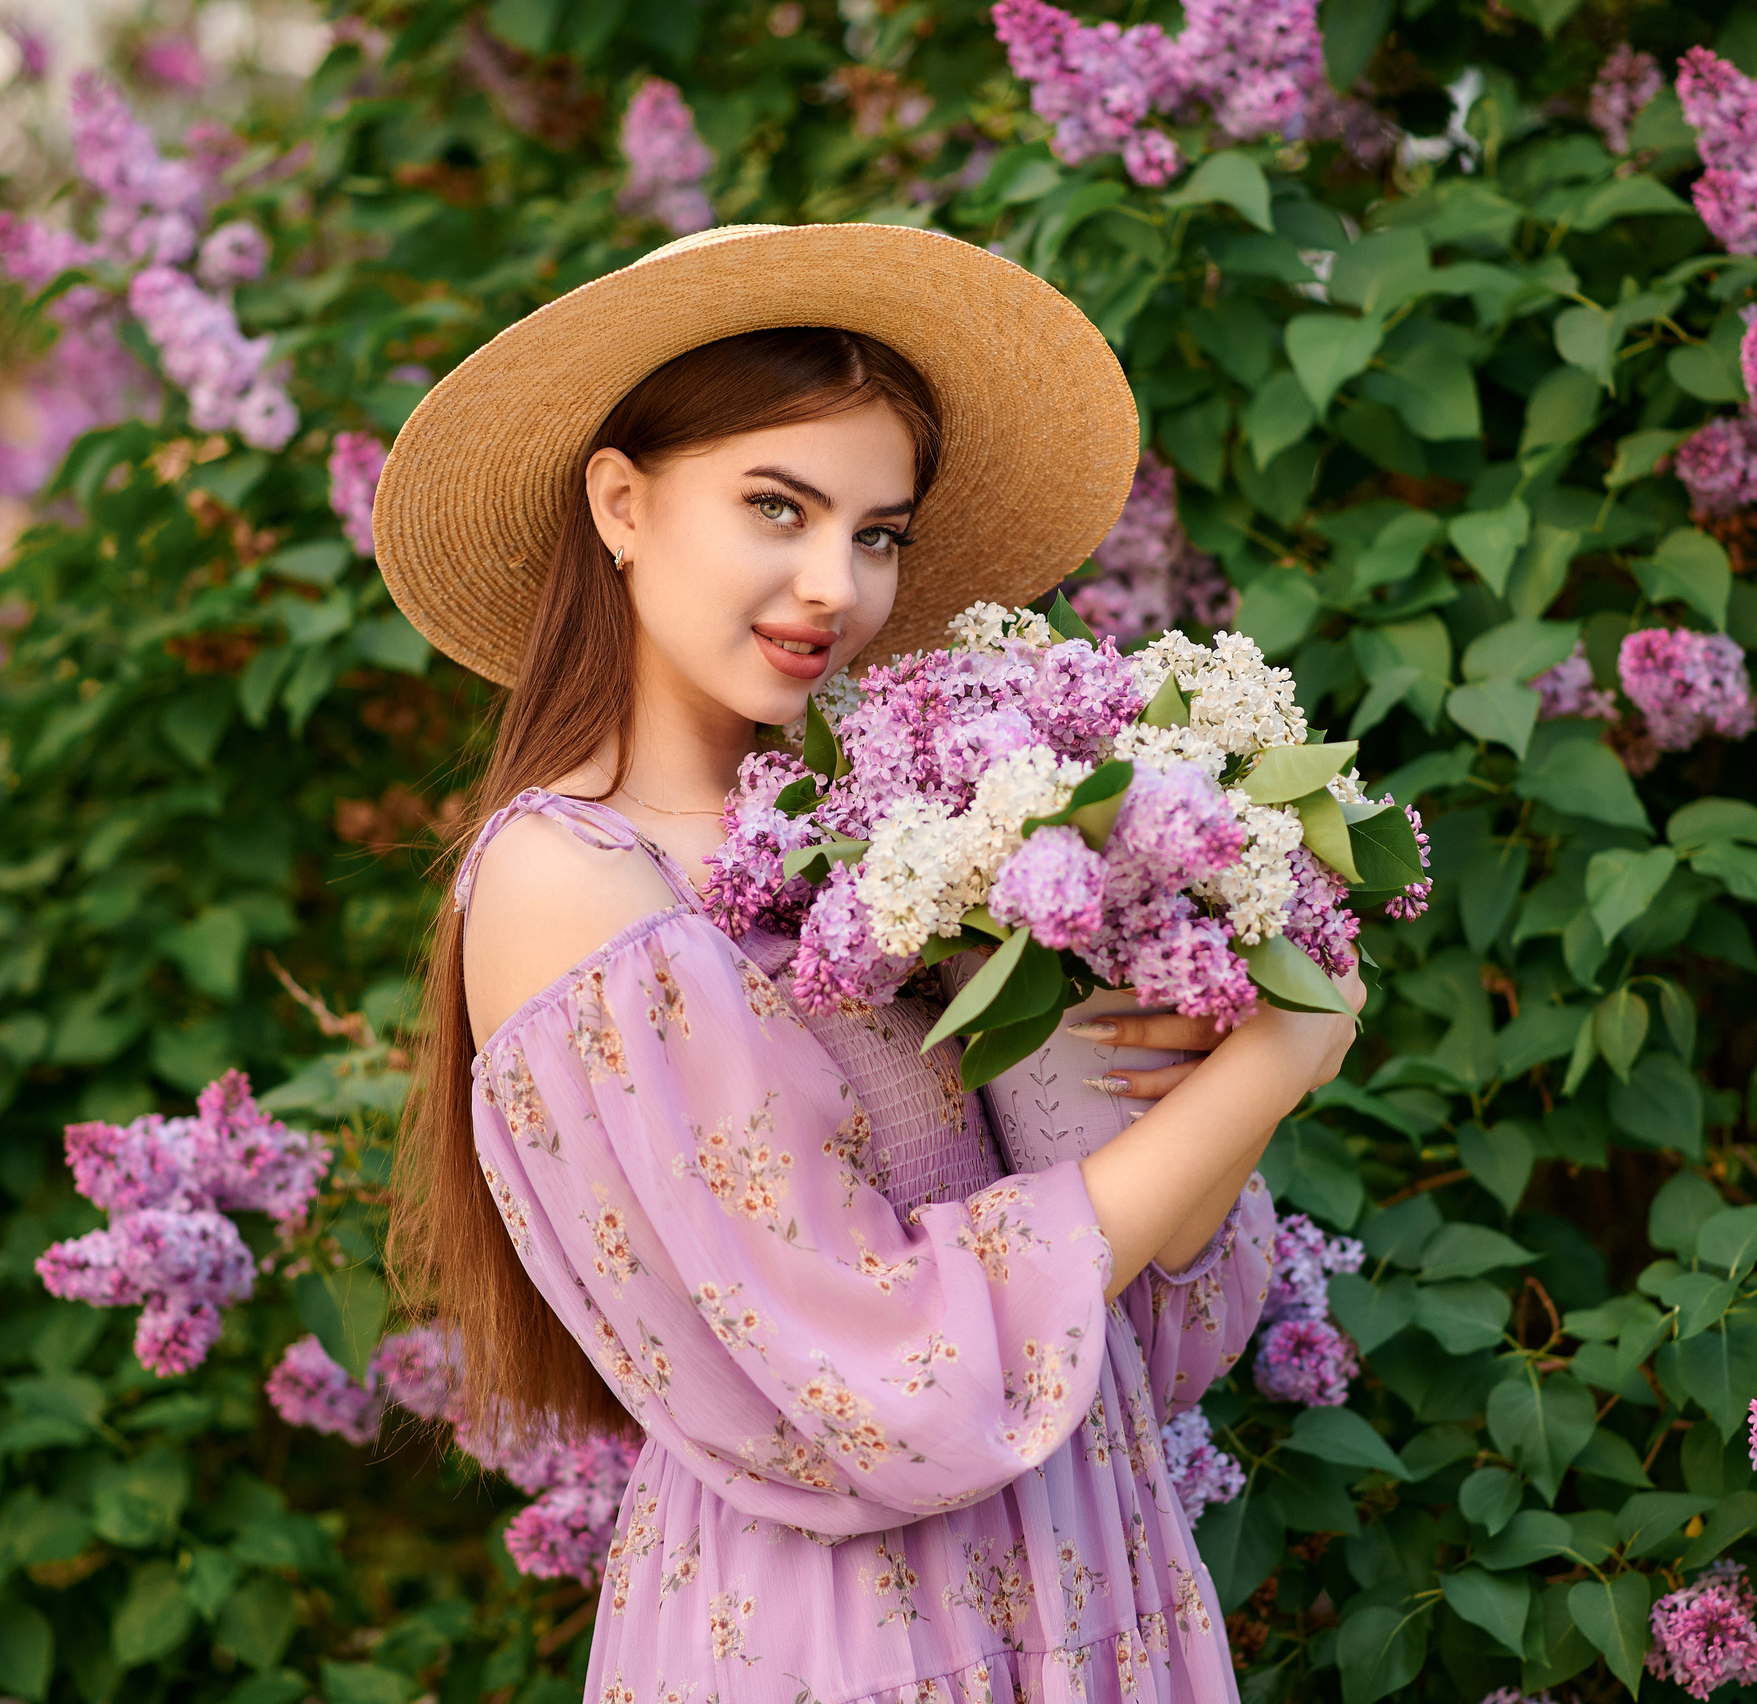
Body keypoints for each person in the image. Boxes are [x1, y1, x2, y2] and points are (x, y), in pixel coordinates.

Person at [375, 223, 1363, 1703]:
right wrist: (1284, 1059)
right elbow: (872, 1368)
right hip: (850, 1634)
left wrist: (1194, 959)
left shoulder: (922, 824)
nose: (833, 581)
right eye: (776, 507)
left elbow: (1148, 1307)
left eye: (878, 532)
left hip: (1098, 1568)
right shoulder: (571, 886)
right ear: (623, 502)